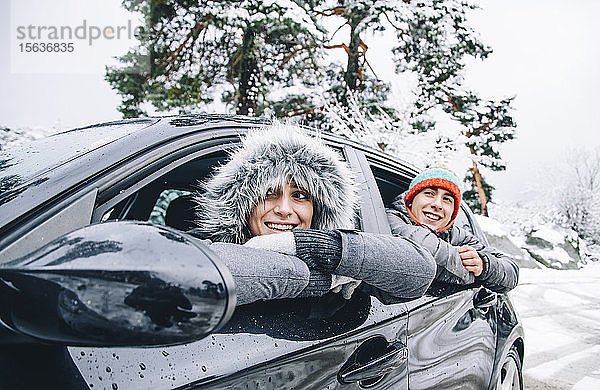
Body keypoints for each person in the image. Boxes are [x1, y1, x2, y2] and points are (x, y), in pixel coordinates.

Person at [188, 122, 437, 305]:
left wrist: (316, 247)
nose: (284, 209)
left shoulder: (339, 262)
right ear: (244, 203)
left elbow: (420, 271)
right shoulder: (203, 243)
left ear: (318, 207)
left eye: (300, 196)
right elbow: (195, 274)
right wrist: (319, 281)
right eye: (268, 194)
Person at [386, 166, 519, 293]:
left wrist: (484, 265)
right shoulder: (387, 219)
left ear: (453, 213)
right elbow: (424, 250)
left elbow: (511, 271)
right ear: (410, 200)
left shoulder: (456, 235)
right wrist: (473, 276)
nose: (437, 204)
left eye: (447, 199)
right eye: (429, 193)